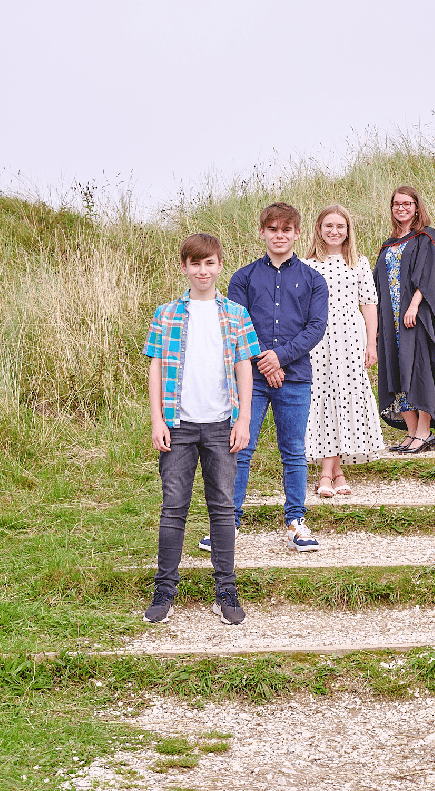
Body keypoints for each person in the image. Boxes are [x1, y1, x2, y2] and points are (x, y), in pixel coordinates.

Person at [142, 233, 260, 626]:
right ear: (184, 268)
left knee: (222, 508)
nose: (202, 271)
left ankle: (226, 589)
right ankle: (165, 589)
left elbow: (245, 367)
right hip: (178, 424)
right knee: (174, 507)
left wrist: (243, 419)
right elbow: (156, 365)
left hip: (221, 424)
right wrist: (157, 418)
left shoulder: (236, 313)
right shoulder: (166, 314)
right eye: (195, 264)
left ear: (219, 265)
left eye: (209, 263)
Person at [200, 202, 329, 553]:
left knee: (294, 451)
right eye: (273, 229)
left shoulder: (314, 280)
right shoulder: (243, 278)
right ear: (262, 233)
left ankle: (296, 523)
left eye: (286, 230)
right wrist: (264, 361)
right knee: (240, 447)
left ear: (297, 233)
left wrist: (281, 357)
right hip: (250, 379)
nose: (279, 235)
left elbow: (316, 327)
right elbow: (238, 325)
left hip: (296, 376)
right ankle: (229, 524)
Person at [303, 205, 385, 497]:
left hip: (351, 337)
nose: (334, 231)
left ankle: (328, 473)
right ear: (319, 229)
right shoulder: (307, 264)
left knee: (346, 395)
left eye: (340, 226)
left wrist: (372, 343)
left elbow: (369, 304)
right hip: (318, 339)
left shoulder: (359, 263)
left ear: (348, 230)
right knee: (324, 397)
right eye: (329, 226)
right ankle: (334, 473)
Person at [374, 185, 435, 453]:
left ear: (417, 206)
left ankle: (424, 432)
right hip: (390, 318)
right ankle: (410, 432)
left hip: (415, 316)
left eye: (407, 204)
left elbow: (430, 276)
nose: (401, 208)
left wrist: (413, 306)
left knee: (420, 369)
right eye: (397, 204)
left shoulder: (426, 237)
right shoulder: (390, 243)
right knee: (397, 370)